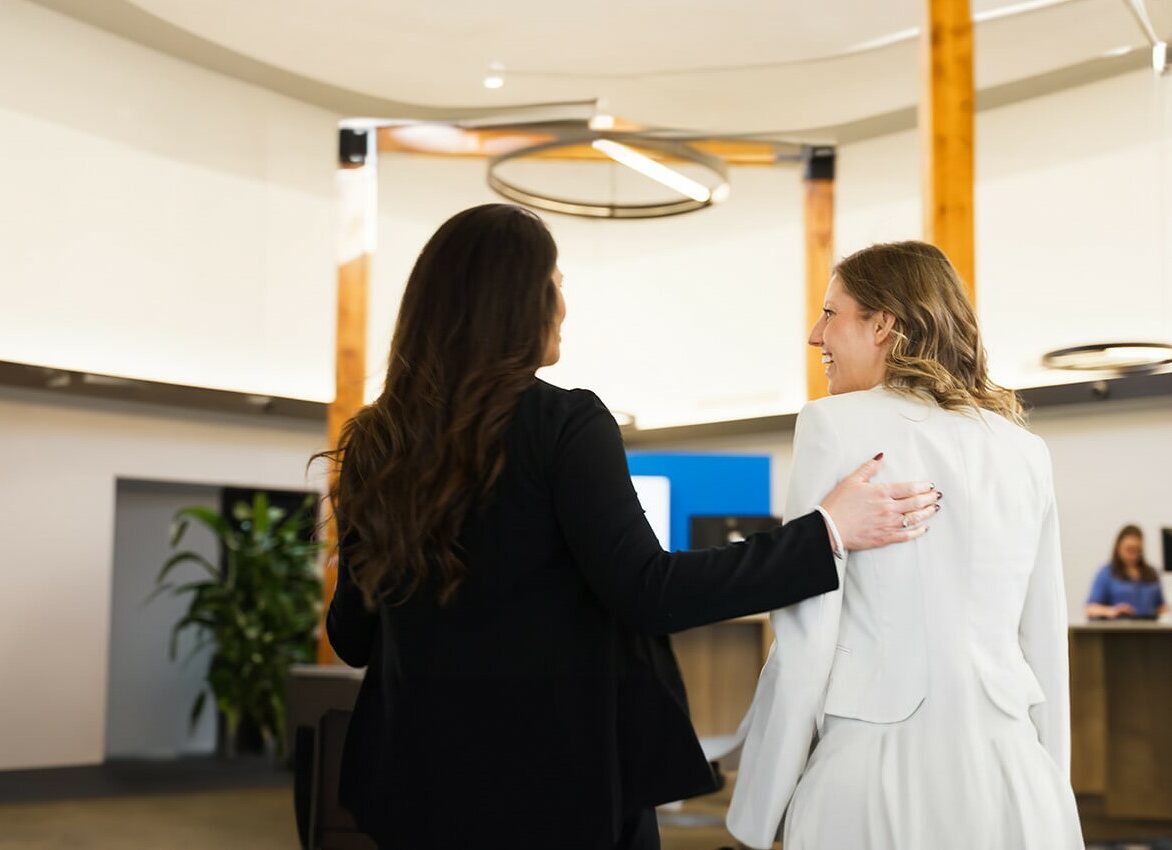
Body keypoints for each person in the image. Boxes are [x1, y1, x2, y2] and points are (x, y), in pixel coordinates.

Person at [317, 205, 941, 850]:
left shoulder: (376, 440)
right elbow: (649, 591)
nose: (563, 306)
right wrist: (826, 532)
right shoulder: (563, 423)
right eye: (555, 284)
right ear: (516, 303)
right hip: (553, 785)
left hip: (415, 786)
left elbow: (353, 636)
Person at [727, 241, 1084, 850]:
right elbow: (1045, 641)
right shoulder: (1024, 450)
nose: (816, 335)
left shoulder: (833, 424)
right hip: (1013, 771)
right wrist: (1054, 789)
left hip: (873, 769)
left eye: (831, 312)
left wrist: (758, 812)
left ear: (884, 324)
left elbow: (806, 639)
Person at [1086, 525, 1167, 620]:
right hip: (1118, 630)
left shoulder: (1152, 573)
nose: (1133, 555)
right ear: (1118, 548)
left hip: (1149, 629)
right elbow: (1090, 609)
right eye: (1129, 549)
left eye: (1137, 550)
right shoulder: (1106, 573)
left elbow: (1161, 607)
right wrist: (1113, 611)